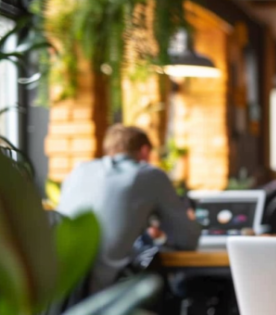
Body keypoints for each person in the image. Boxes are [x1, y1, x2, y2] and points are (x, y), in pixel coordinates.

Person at [57, 125, 202, 293]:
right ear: (145, 151)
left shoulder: (79, 171)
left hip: (54, 292)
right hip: (103, 293)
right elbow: (187, 239)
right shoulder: (148, 175)